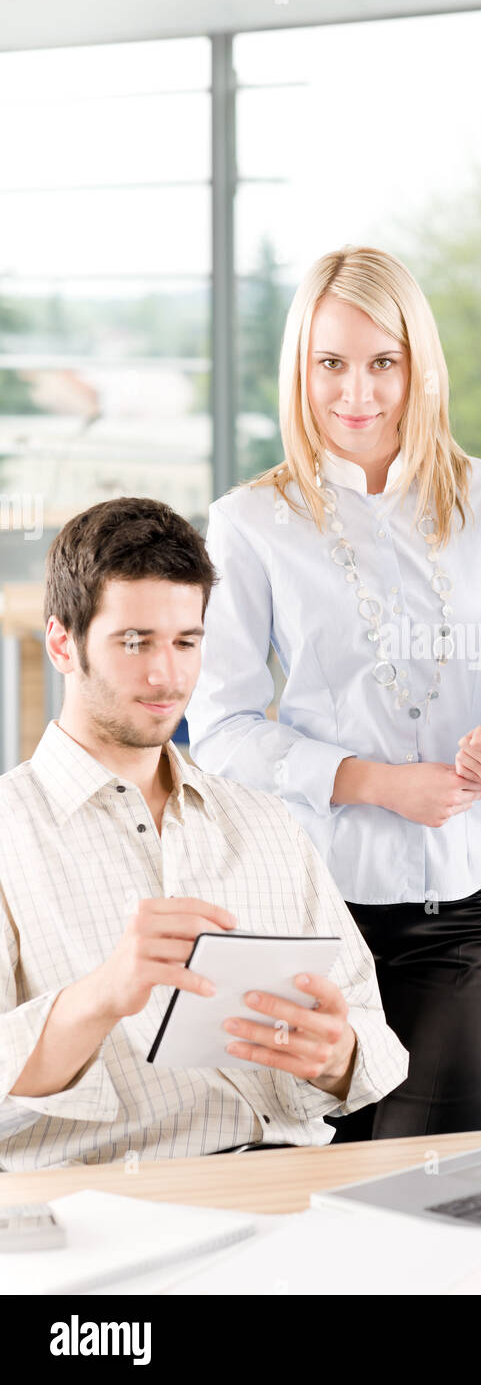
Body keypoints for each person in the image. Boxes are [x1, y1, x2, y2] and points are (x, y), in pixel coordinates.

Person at [186, 246, 481, 1142]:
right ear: (301, 368)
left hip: (465, 908)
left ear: (418, 365)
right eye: (331, 363)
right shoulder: (251, 522)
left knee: (422, 1180)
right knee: (319, 1176)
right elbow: (219, 727)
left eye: (382, 363)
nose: (356, 393)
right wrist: (370, 779)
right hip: (318, 907)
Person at [0, 497, 409, 1171]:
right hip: (104, 1208)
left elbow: (369, 1035)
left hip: (283, 1186)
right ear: (62, 643)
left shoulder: (265, 822)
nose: (169, 675)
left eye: (186, 642)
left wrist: (337, 1056)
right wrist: (103, 996)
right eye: (135, 642)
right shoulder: (13, 833)